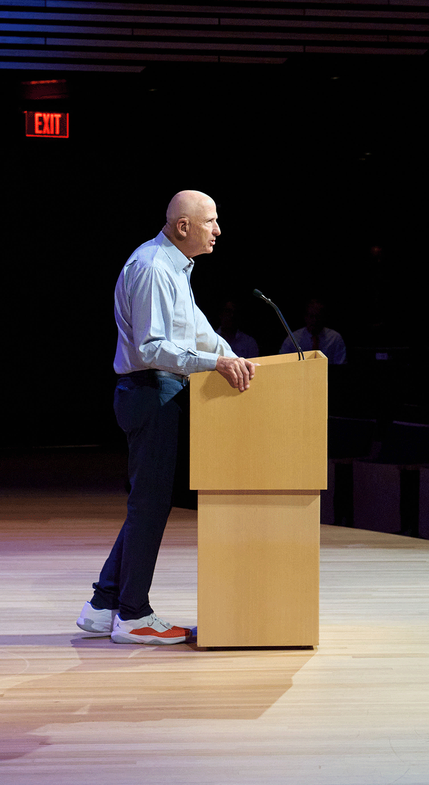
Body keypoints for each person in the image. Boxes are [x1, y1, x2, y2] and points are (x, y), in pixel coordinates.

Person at [77, 190, 256, 645]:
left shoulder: (175, 266)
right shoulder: (154, 267)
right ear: (183, 227)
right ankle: (133, 615)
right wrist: (216, 364)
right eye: (211, 221)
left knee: (150, 503)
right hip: (150, 390)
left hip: (158, 391)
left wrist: (234, 358)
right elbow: (152, 348)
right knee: (149, 506)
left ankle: (104, 604)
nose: (218, 230)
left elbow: (197, 330)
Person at [280, 298, 347, 363]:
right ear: (305, 317)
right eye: (311, 316)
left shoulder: (335, 338)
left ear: (323, 317)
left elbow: (340, 362)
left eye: (318, 316)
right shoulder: (293, 339)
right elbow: (282, 361)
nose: (314, 320)